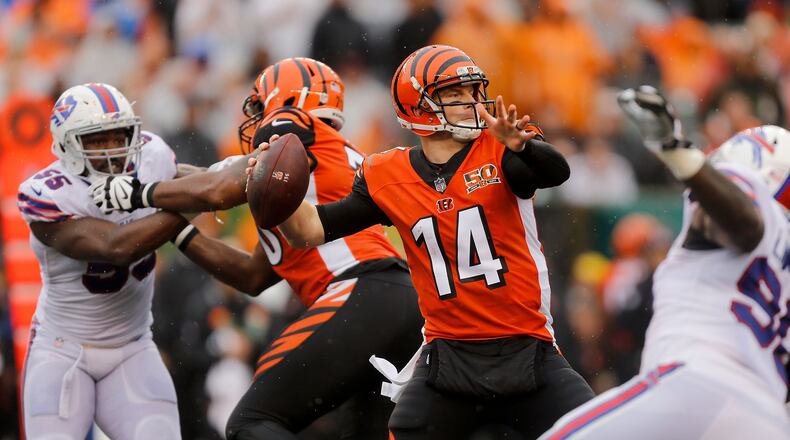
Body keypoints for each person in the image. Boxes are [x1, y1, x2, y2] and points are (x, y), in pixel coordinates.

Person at [252, 45, 595, 439]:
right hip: (448, 361)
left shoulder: (501, 149)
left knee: (598, 431)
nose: (471, 102)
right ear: (419, 105)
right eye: (455, 94)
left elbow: (555, 171)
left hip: (527, 353)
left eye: (472, 91)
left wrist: (522, 145)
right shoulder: (387, 173)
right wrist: (273, 186)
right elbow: (309, 232)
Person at [89, 58, 424, 439]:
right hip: (395, 299)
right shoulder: (314, 166)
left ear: (288, 99)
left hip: (360, 290)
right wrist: (173, 227)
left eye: (261, 105)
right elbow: (252, 274)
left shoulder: (292, 126)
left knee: (251, 422)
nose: (256, 118)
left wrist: (139, 192)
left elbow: (220, 188)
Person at [538, 86, 790, 439]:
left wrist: (679, 152)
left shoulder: (750, 205)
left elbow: (746, 224)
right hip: (769, 420)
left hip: (697, 382)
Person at [18, 83, 193, 439]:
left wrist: (245, 170)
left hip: (133, 347)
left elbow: (204, 181)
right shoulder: (48, 193)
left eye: (118, 136)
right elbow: (117, 247)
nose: (112, 149)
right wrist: (198, 202)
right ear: (67, 144)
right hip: (61, 352)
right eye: (96, 140)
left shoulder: (152, 158)